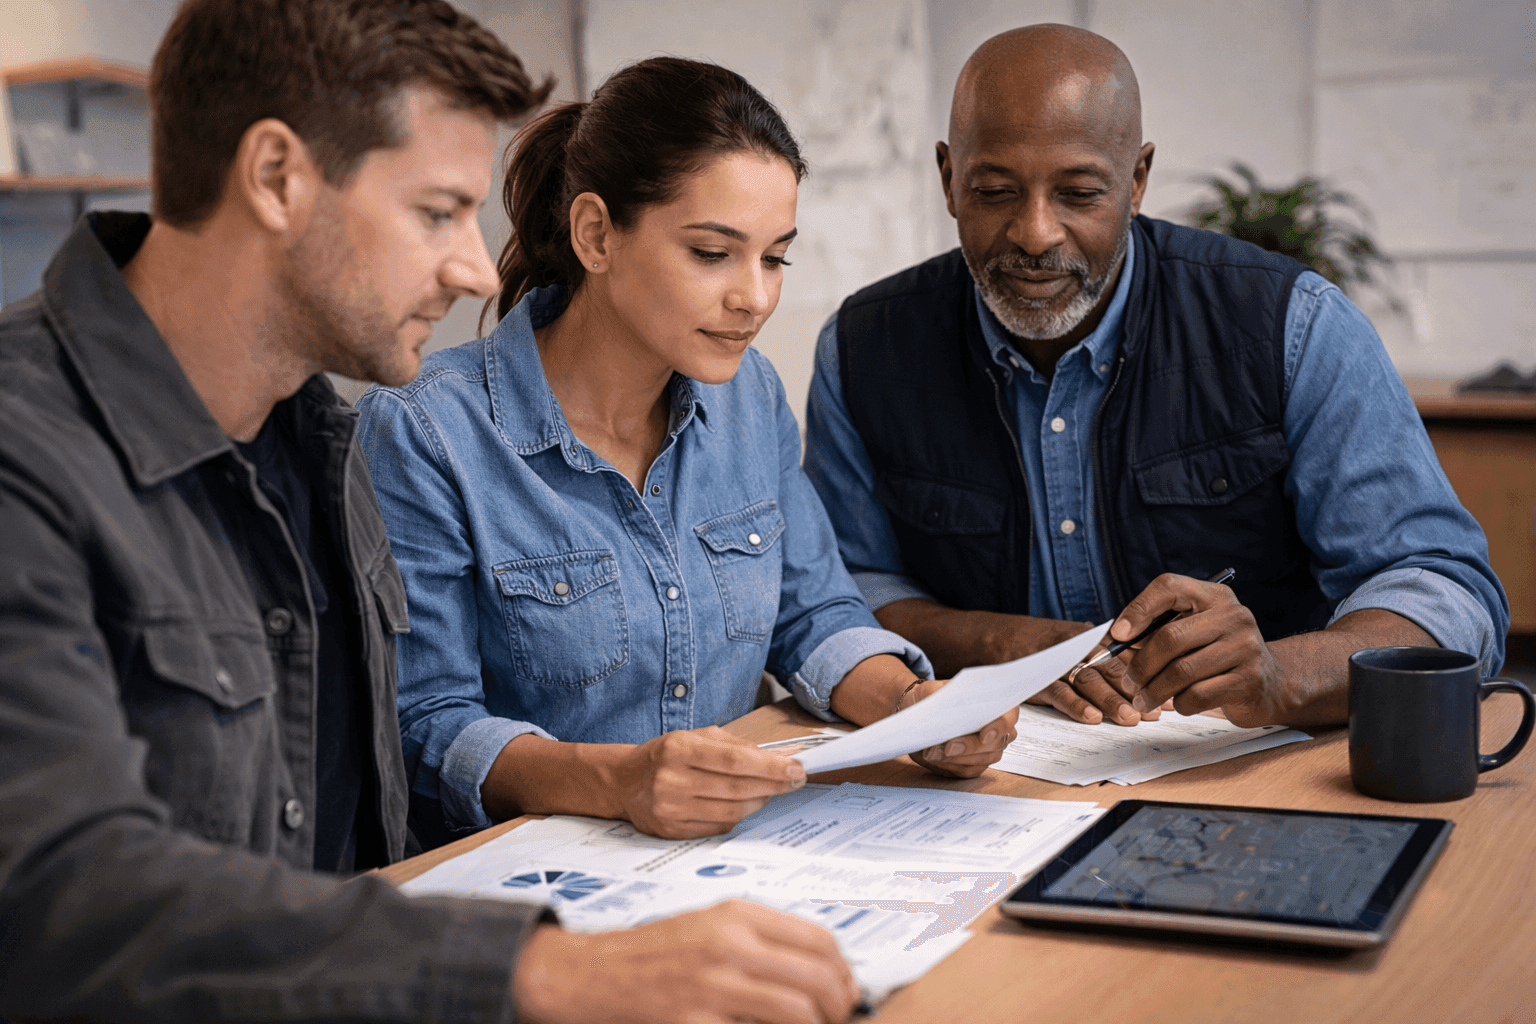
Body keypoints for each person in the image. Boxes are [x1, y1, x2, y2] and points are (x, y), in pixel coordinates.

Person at [0, 3, 864, 1022]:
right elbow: (63, 895)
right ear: (276, 176)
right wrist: (547, 970)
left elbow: (357, 850)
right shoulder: (30, 454)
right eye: (437, 212)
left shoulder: (316, 448)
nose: (476, 269)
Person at [355, 56, 1018, 849]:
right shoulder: (425, 432)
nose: (756, 297)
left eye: (775, 257)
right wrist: (622, 784)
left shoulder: (750, 395)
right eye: (713, 253)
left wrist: (913, 707)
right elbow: (426, 726)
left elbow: (813, 612)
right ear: (596, 234)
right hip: (534, 884)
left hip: (736, 857)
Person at [803, 24, 1508, 731]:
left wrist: (1281, 674)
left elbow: (1443, 589)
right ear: (949, 179)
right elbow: (847, 589)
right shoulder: (864, 348)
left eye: (1079, 194)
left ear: (1137, 181)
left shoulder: (1293, 326)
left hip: (1260, 771)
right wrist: (1010, 646)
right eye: (994, 191)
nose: (1035, 233)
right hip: (985, 783)